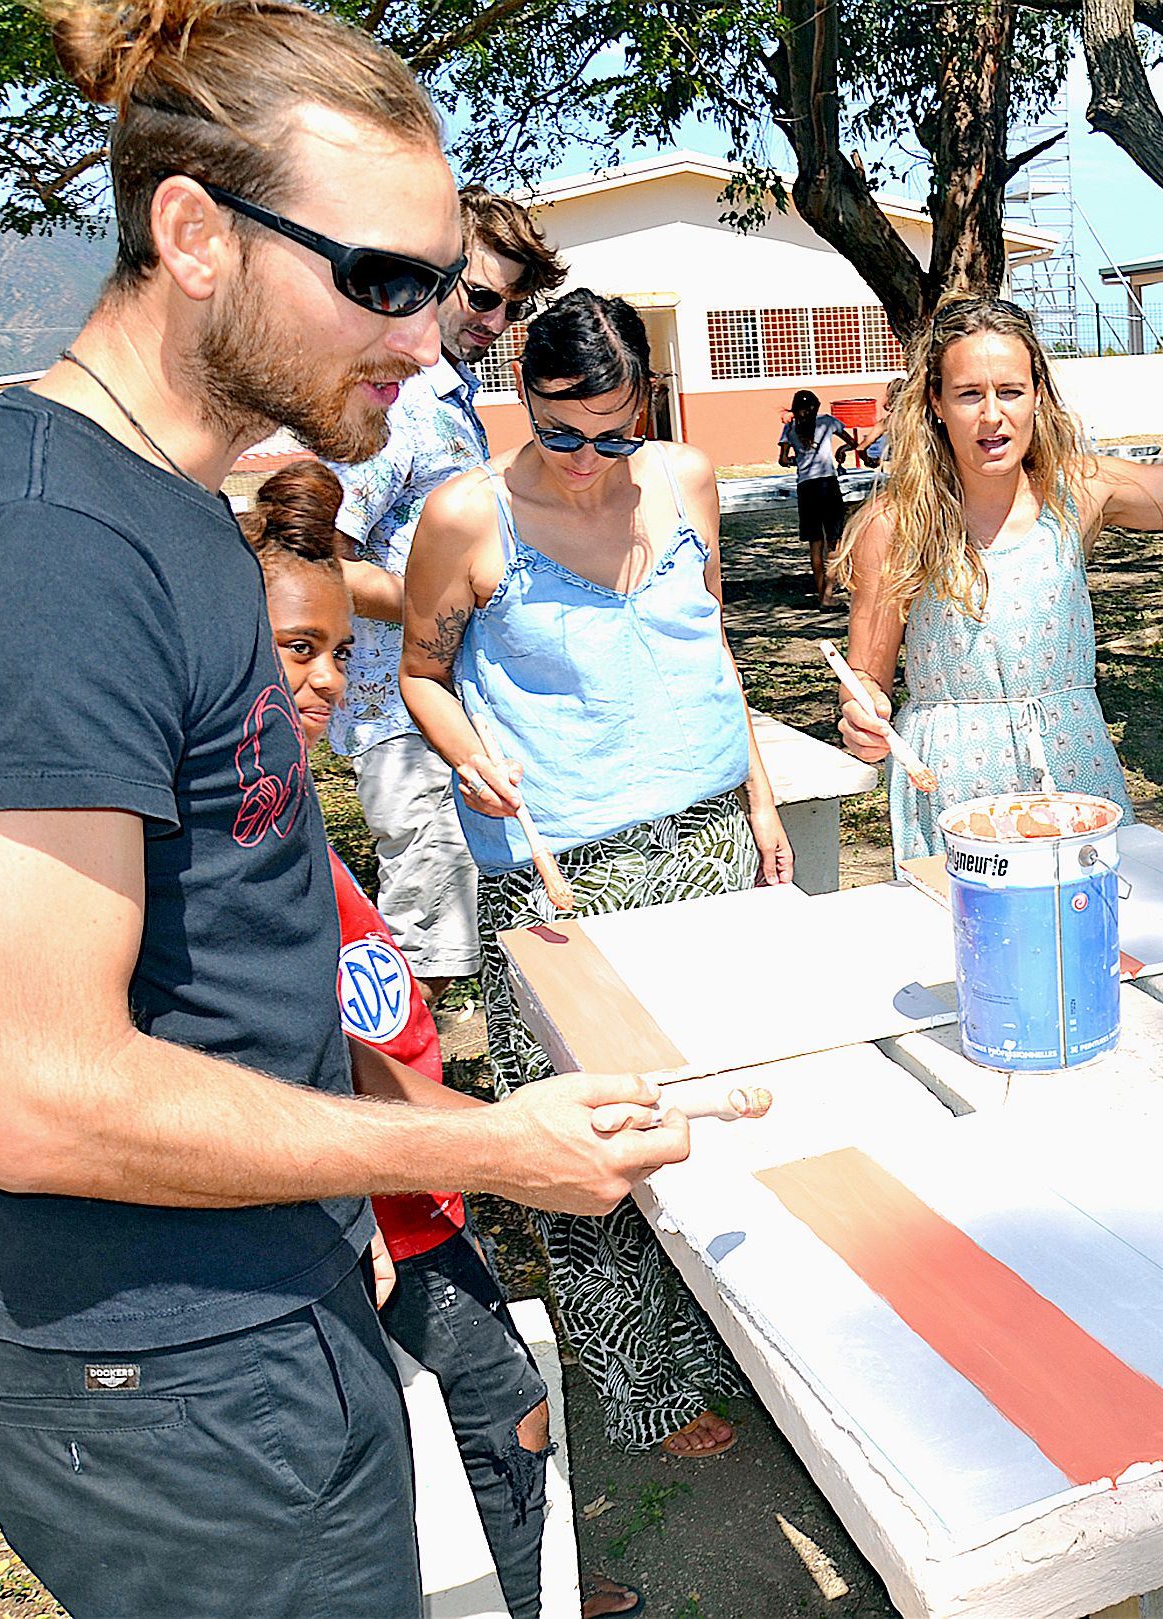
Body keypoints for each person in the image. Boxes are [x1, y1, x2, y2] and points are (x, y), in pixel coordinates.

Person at [0, 6, 685, 1617]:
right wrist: (466, 1149)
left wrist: (410, 1149)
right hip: (168, 1380)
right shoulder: (55, 554)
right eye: (381, 279)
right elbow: (35, 1088)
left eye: (440, 286)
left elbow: (231, 955)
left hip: (260, 1300)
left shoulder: (175, 511)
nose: (431, 337)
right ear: (195, 236)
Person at [238, 460, 650, 1619]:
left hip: (412, 1191)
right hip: (363, 1207)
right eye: (290, 648)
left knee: (488, 1405)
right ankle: (531, 1596)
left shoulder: (287, 817)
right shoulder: (229, 852)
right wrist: (357, 1203)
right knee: (499, 1402)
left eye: (330, 651)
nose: (318, 681)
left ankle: (532, 1584)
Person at [402, 288, 789, 1459]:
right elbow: (424, 669)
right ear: (524, 401)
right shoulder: (469, 516)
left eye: (613, 433)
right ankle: (645, 1388)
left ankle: (743, 1339)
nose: (586, 464)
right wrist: (469, 756)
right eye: (560, 434)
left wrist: (763, 800)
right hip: (566, 874)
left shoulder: (685, 482)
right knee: (598, 1145)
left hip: (711, 837)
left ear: (648, 408)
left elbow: (709, 641)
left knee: (722, 1109)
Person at [836, 288, 1163, 861]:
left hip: (1072, 766)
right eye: (969, 394)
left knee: (1088, 940)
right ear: (936, 404)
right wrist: (862, 717)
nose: (992, 415)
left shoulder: (1081, 490)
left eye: (1010, 391)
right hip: (950, 788)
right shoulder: (894, 523)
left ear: (1037, 396)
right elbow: (866, 677)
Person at [330, 184, 568, 1007]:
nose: (496, 323)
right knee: (424, 938)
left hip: (449, 708)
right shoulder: (389, 400)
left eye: (513, 307)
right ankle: (399, 1107)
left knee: (472, 923)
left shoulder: (452, 398)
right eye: (481, 296)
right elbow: (320, 564)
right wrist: (441, 604)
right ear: (435, 271)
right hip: (397, 717)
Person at [777, 386, 857, 603]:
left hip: (806, 486)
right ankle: (828, 595)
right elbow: (851, 442)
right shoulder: (828, 422)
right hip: (827, 484)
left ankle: (821, 593)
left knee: (815, 544)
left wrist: (799, 460)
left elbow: (783, 460)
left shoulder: (790, 429)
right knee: (834, 541)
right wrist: (841, 451)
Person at [860, 375, 906, 468]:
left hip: (900, 467)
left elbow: (861, 448)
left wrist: (869, 460)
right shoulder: (920, 416)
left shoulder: (887, 422)